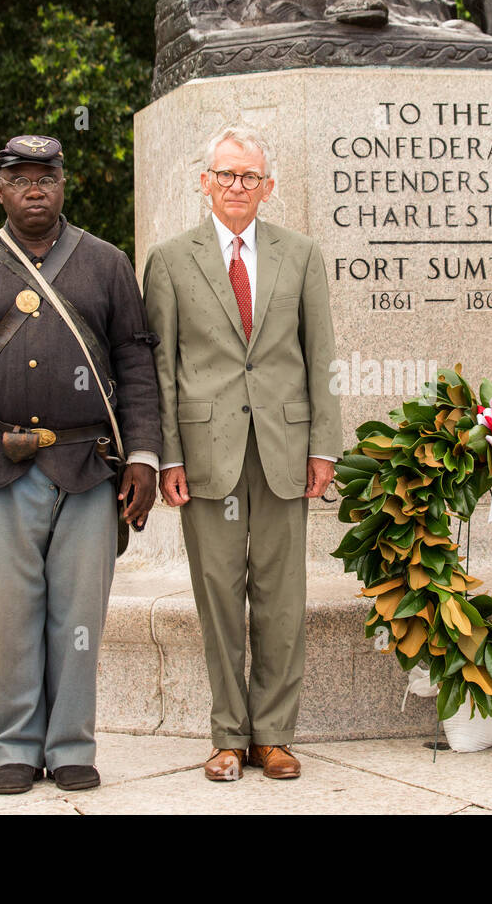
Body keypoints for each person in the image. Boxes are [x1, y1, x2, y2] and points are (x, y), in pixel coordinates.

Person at [0, 134, 160, 796]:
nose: (34, 188)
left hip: (88, 466)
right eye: (19, 177)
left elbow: (137, 366)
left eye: (46, 177)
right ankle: (18, 745)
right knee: (13, 615)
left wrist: (142, 455)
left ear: (64, 184)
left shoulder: (108, 264)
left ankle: (72, 743)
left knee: (80, 616)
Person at [144, 125, 343, 781]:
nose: (237, 186)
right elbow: (162, 369)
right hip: (207, 456)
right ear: (204, 181)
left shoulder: (302, 254)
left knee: (283, 600)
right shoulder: (171, 260)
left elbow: (321, 358)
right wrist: (167, 456)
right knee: (219, 596)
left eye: (249, 176)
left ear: (268, 186)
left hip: (285, 450)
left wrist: (325, 447)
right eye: (226, 174)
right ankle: (229, 735)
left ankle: (274, 737)